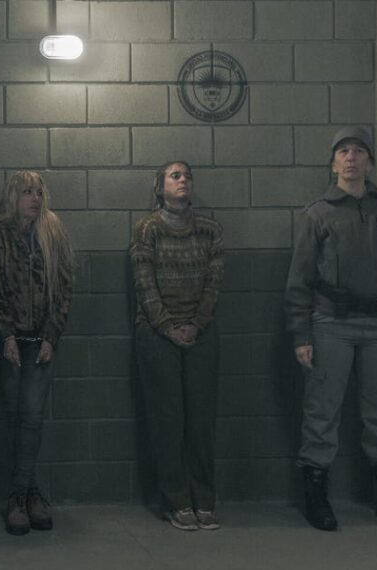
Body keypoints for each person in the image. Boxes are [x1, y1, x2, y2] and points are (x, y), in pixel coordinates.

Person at [285, 126, 377, 532]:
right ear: (333, 163)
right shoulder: (319, 213)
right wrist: (301, 335)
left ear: (370, 162)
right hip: (331, 323)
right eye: (343, 152)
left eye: (359, 151)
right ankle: (315, 495)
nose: (351, 158)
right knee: (322, 411)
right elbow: (299, 280)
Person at [0, 171, 75, 535]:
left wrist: (51, 335)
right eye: (26, 192)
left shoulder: (52, 233)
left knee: (32, 416)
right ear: (12, 196)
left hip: (40, 342)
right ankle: (28, 493)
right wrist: (5, 335)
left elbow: (64, 289)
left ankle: (19, 495)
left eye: (38, 192)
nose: (34, 198)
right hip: (8, 342)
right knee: (14, 415)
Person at [130, 161, 225, 531]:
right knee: (167, 420)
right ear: (160, 188)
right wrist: (169, 328)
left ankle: (204, 498)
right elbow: (145, 283)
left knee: (201, 420)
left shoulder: (210, 230)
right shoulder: (147, 229)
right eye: (175, 175)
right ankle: (177, 500)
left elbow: (214, 284)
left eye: (187, 175)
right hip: (156, 334)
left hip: (201, 333)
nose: (183, 180)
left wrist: (196, 325)